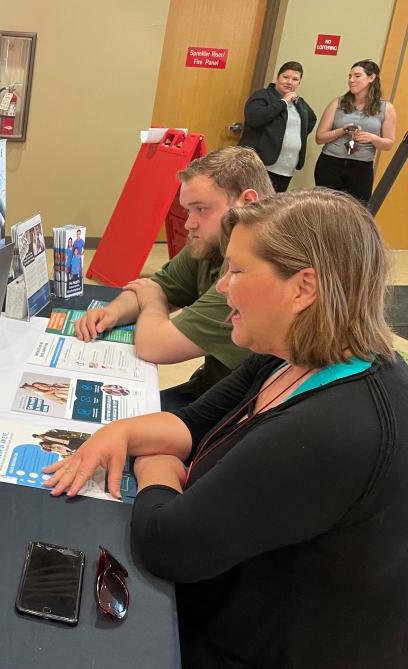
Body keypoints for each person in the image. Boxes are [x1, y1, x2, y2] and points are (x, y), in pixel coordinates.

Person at [47, 188, 408, 668]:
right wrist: (125, 434)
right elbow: (192, 423)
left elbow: (167, 544)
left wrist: (155, 462)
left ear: (304, 288)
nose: (221, 286)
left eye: (237, 272)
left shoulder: (334, 427)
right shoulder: (291, 357)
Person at [75, 146, 275, 410]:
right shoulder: (213, 242)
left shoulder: (255, 268)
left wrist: (152, 302)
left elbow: (155, 345)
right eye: (188, 210)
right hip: (212, 388)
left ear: (247, 203)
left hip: (239, 411)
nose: (188, 224)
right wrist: (113, 312)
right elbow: (156, 286)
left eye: (201, 209)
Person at [314, 59, 398, 202]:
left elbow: (388, 144)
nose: (351, 80)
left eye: (357, 76)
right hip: (331, 163)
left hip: (361, 168)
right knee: (326, 210)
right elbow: (319, 138)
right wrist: (341, 131)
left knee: (356, 213)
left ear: (371, 78)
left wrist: (372, 138)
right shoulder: (337, 103)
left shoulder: (386, 108)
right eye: (349, 76)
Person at [239, 60, 317, 192]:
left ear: (299, 82)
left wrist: (294, 137)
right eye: (285, 77)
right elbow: (254, 118)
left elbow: (311, 120)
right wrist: (283, 102)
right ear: (277, 77)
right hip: (259, 165)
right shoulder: (262, 96)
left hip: (286, 168)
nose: (289, 82)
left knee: (273, 208)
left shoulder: (299, 102)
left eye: (295, 79)